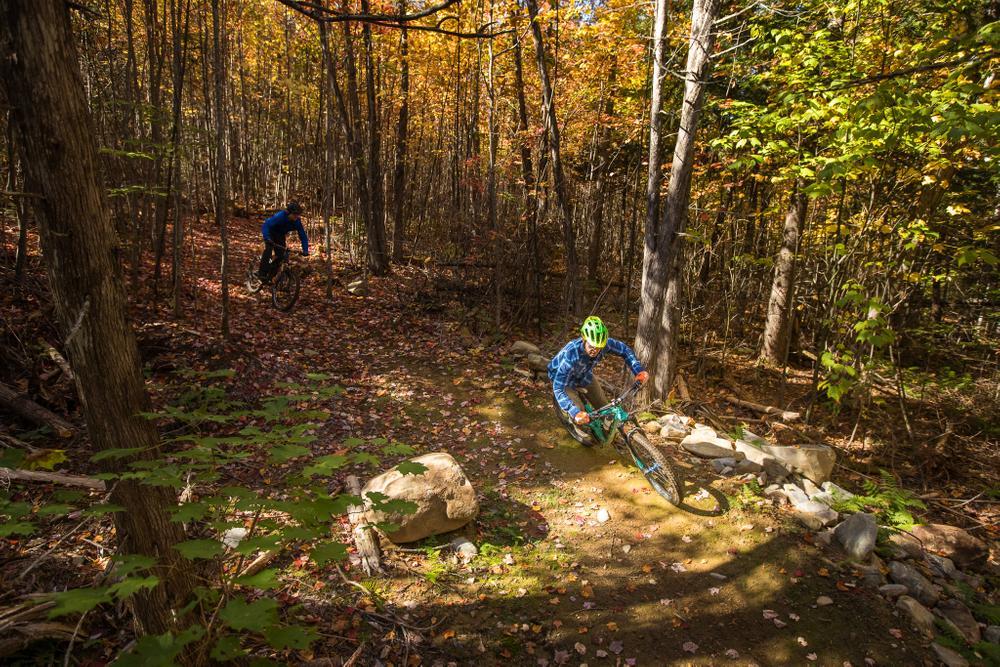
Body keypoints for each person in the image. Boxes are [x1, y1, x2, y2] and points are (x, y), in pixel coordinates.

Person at [549, 316, 649, 428]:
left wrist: (638, 371)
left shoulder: (604, 344)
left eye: (598, 347)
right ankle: (578, 430)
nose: (595, 350)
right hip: (565, 381)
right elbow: (558, 388)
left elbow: (625, 350)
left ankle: (608, 431)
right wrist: (574, 412)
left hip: (583, 375)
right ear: (584, 339)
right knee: (580, 414)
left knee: (606, 409)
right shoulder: (571, 354)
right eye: (591, 346)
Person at [257, 201, 309, 281]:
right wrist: (267, 238)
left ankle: (271, 276)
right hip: (270, 232)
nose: (296, 216)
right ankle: (262, 274)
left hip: (280, 235)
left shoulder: (297, 222)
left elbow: (303, 236)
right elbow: (266, 225)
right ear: (289, 213)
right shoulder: (280, 216)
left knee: (281, 255)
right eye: (295, 214)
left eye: (298, 214)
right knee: (268, 249)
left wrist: (305, 250)